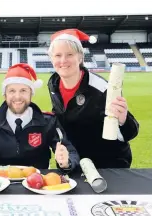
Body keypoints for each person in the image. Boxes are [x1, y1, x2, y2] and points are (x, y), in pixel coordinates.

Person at [0, 63, 80, 172]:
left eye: (23, 91)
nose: (17, 97)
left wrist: (66, 162)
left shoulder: (49, 121)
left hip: (39, 184)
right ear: (5, 94)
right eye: (12, 91)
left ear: (31, 93)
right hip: (1, 182)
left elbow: (70, 151)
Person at [47, 28, 139, 168]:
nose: (63, 60)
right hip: (76, 162)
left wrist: (123, 120)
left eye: (69, 54)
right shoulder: (53, 84)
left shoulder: (101, 89)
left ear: (80, 57)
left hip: (108, 164)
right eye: (58, 55)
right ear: (51, 58)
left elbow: (130, 132)